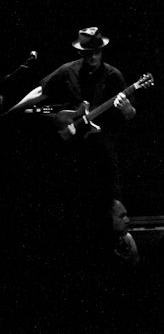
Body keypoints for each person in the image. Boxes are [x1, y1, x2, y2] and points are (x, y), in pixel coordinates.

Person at [8, 27, 137, 267]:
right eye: (88, 52)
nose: (93, 57)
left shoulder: (113, 76)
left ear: (102, 50)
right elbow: (41, 92)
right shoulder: (68, 71)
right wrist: (10, 113)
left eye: (96, 51)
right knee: (73, 211)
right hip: (72, 157)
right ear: (81, 52)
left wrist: (127, 108)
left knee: (107, 208)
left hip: (102, 156)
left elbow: (130, 115)